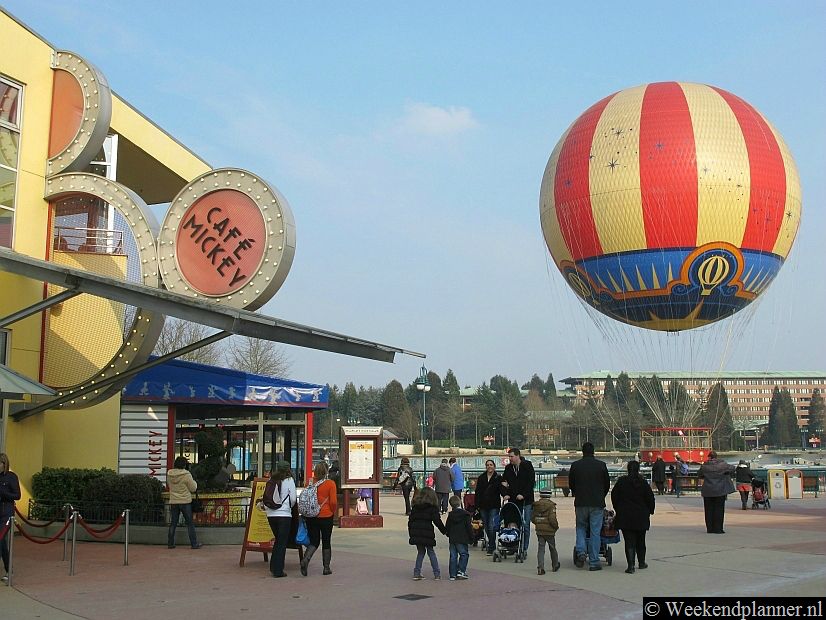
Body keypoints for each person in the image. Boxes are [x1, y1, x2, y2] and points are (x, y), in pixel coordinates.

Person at [569, 442, 610, 571]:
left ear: (582, 452)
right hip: (597, 503)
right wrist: (601, 495)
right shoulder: (601, 465)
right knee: (595, 532)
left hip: (581, 502)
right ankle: (594, 561)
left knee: (580, 527)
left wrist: (577, 493)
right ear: (593, 452)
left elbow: (571, 484)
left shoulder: (575, 465)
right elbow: (607, 484)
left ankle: (581, 551)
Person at [611, 460, 656, 574]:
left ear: (627, 469)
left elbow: (614, 496)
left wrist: (618, 509)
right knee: (641, 540)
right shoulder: (643, 483)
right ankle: (641, 562)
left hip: (625, 515)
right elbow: (650, 498)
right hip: (641, 515)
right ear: (638, 469)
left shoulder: (621, 482)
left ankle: (630, 566)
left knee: (629, 541)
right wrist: (650, 510)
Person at [301, 461, 337, 576]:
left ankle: (306, 559)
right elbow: (333, 502)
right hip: (326, 516)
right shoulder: (330, 484)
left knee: (314, 541)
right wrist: (332, 511)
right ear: (326, 471)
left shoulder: (309, 482)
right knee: (326, 541)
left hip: (311, 516)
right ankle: (326, 568)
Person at [265, 461, 297, 577]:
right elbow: (293, 499)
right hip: (284, 515)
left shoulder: (271, 480)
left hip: (271, 515)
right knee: (281, 543)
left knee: (278, 540)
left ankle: (273, 566)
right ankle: (278, 570)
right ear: (288, 469)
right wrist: (288, 507)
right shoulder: (289, 480)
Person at [500, 448, 535, 552]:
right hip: (513, 500)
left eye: (511, 456)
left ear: (518, 456)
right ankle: (513, 544)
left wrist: (523, 494)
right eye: (509, 457)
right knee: (513, 523)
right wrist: (505, 494)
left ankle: (524, 547)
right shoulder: (508, 468)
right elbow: (503, 482)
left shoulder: (527, 466)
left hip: (526, 500)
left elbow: (530, 482)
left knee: (525, 525)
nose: (510, 458)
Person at [407, 487, 446, 580]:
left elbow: (410, 521)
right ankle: (437, 573)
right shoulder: (432, 508)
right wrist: (444, 531)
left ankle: (417, 572)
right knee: (431, 552)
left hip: (416, 533)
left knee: (421, 552)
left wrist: (411, 533)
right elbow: (437, 521)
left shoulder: (415, 507)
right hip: (427, 533)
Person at [166, 456, 202, 550]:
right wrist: (195, 483)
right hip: (185, 501)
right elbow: (193, 488)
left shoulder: (169, 474)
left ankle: (170, 543)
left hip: (174, 501)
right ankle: (194, 544)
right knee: (189, 523)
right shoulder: (186, 474)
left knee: (173, 523)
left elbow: (169, 485)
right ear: (184, 465)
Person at [697, 451, 736, 534]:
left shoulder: (704, 466)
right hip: (720, 490)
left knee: (708, 510)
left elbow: (699, 474)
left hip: (708, 490)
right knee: (719, 509)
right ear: (716, 457)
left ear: (709, 457)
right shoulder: (722, 465)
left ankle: (710, 528)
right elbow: (733, 468)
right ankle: (718, 529)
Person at [0, 453, 21, 583]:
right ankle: (8, 568)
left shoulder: (11, 477)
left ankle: (8, 569)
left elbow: (17, 495)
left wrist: (3, 492)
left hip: (6, 512)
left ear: (4, 464)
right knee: (1, 542)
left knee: (1, 538)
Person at [475, 459, 502, 555]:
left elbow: (502, 490)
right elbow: (477, 492)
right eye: (487, 465)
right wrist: (476, 505)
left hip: (494, 505)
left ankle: (491, 546)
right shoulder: (481, 477)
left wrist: (506, 493)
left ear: (494, 466)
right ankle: (491, 543)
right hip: (483, 505)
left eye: (491, 465)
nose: (489, 466)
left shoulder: (498, 477)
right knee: (486, 526)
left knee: (491, 526)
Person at [531, 487, 560, 575]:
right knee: (552, 548)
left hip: (539, 530)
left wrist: (538, 523)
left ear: (541, 495)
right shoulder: (551, 506)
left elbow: (533, 518)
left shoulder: (536, 505)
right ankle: (555, 565)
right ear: (550, 495)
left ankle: (540, 567)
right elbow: (552, 519)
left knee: (541, 549)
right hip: (550, 531)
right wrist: (556, 527)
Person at [446, 495, 473, 580]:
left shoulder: (451, 515)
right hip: (462, 538)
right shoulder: (466, 515)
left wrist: (448, 534)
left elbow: (447, 527)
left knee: (453, 556)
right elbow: (469, 527)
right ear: (460, 502)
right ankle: (461, 571)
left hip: (452, 538)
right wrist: (472, 538)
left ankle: (452, 574)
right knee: (464, 554)